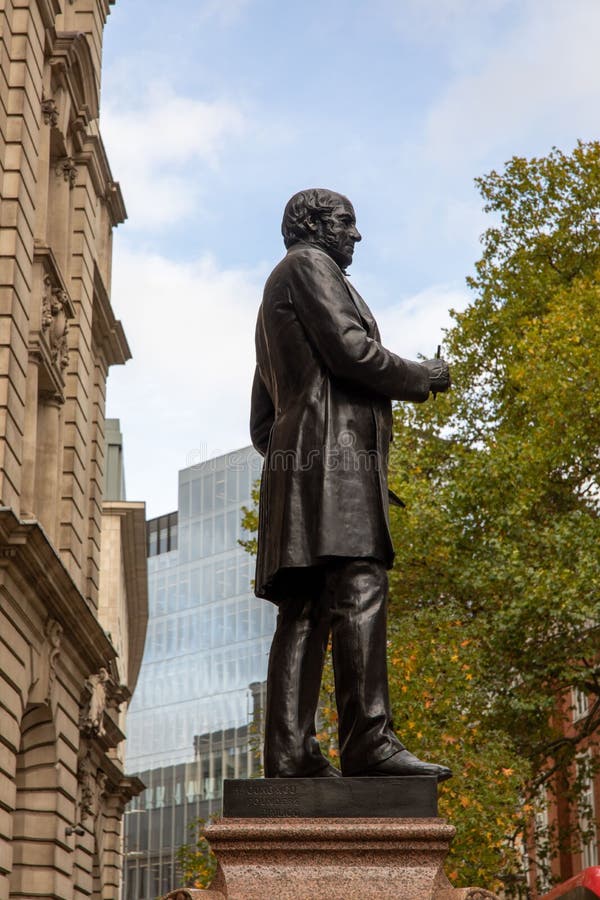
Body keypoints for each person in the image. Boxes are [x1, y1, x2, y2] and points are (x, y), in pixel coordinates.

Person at [250, 188, 451, 780]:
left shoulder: (274, 295)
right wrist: (424, 375)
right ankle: (369, 742)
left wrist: (303, 460)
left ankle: (290, 755)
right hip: (333, 472)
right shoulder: (310, 266)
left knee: (306, 607)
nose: (356, 235)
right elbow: (352, 351)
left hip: (301, 473)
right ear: (314, 225)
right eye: (347, 222)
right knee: (359, 588)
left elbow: (263, 420)